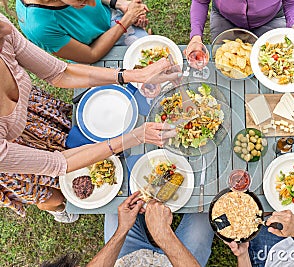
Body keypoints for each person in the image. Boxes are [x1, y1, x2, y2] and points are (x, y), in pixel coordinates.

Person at [0, 13, 180, 222]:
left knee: (67, 137)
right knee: (49, 193)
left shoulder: (2, 29)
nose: (5, 28)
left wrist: (135, 75)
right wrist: (136, 136)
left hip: (32, 115)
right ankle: (59, 211)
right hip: (9, 156)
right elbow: (59, 163)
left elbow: (60, 73)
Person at [40, 192, 215, 267]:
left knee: (118, 203)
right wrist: (164, 236)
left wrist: (122, 230)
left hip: (129, 260)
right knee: (208, 209)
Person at [16, 0, 150, 63]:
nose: (93, 4)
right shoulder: (39, 27)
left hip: (110, 21)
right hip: (94, 53)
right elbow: (91, 55)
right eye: (83, 1)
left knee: (148, 48)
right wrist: (127, 20)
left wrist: (118, 4)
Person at [187, 0, 294, 56]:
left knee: (273, 66)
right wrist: (196, 37)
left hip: (271, 19)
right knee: (224, 65)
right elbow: (200, 1)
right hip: (226, 19)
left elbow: (292, 2)